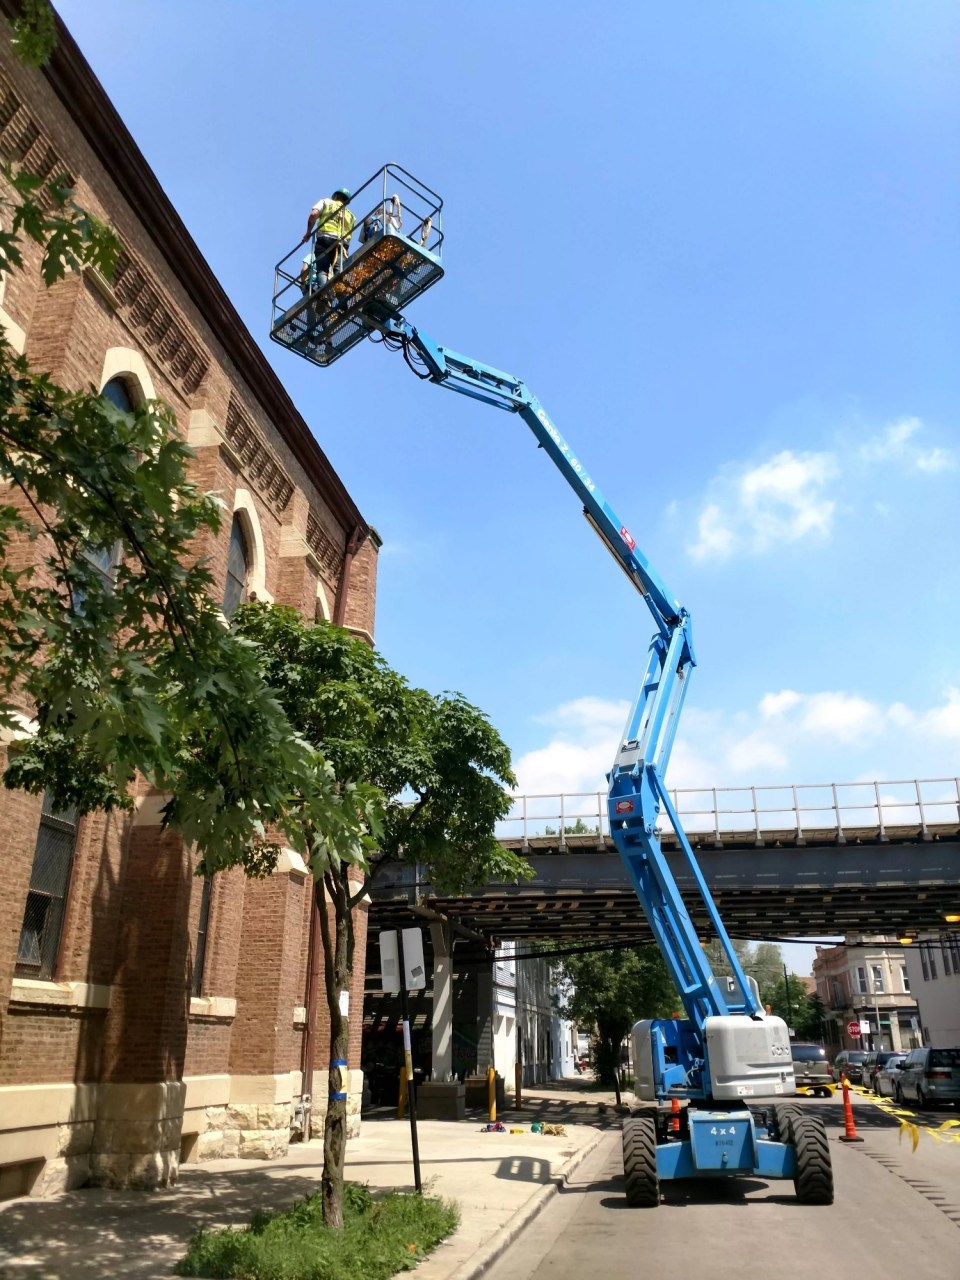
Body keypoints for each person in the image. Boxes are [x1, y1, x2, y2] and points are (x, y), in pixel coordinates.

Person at [300, 187, 356, 292]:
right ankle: (342, 293)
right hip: (342, 245)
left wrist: (308, 232)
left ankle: (324, 292)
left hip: (325, 239)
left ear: (335, 196)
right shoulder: (351, 216)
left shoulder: (326, 202)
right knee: (340, 269)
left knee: (322, 270)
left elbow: (313, 214)